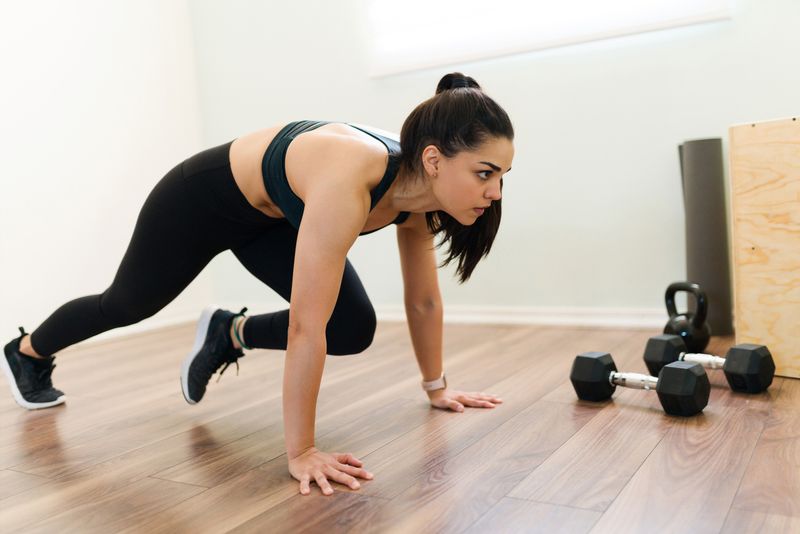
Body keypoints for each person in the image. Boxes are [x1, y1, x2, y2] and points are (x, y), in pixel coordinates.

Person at [2, 72, 514, 496]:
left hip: (270, 219)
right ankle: (27, 350)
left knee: (353, 327)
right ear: (432, 159)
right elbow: (304, 328)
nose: (493, 192)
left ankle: (229, 332)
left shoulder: (418, 204)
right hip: (200, 201)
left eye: (502, 176)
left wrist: (436, 388)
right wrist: (302, 452)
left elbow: (422, 301)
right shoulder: (352, 177)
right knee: (126, 304)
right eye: (484, 172)